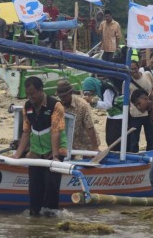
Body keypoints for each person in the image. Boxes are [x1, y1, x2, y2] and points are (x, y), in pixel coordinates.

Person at [12, 77, 67, 216]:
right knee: (34, 188)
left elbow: (55, 132)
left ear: (41, 91)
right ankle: (35, 216)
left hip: (54, 150)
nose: (30, 97)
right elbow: (26, 132)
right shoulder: (27, 106)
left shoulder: (55, 105)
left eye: (33, 94)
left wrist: (55, 157)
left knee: (51, 186)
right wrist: (17, 155)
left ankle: (50, 215)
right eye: (28, 94)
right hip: (36, 152)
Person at [56, 80, 100, 155]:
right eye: (60, 96)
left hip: (87, 141)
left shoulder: (82, 105)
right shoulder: (58, 105)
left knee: (88, 161)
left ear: (70, 93)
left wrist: (95, 147)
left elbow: (89, 126)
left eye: (64, 96)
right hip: (70, 143)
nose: (62, 98)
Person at [82, 76, 123, 151]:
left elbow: (108, 104)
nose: (91, 94)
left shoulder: (106, 89)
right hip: (111, 116)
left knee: (113, 140)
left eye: (91, 91)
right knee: (109, 139)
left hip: (118, 117)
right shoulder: (101, 88)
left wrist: (93, 102)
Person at [129, 61, 153, 152]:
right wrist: (139, 106)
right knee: (134, 138)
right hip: (135, 114)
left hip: (149, 111)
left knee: (151, 136)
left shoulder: (147, 75)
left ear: (139, 67)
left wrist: (151, 95)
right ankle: (134, 157)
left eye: (134, 68)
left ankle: (151, 154)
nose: (133, 71)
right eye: (131, 69)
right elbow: (127, 99)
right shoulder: (127, 82)